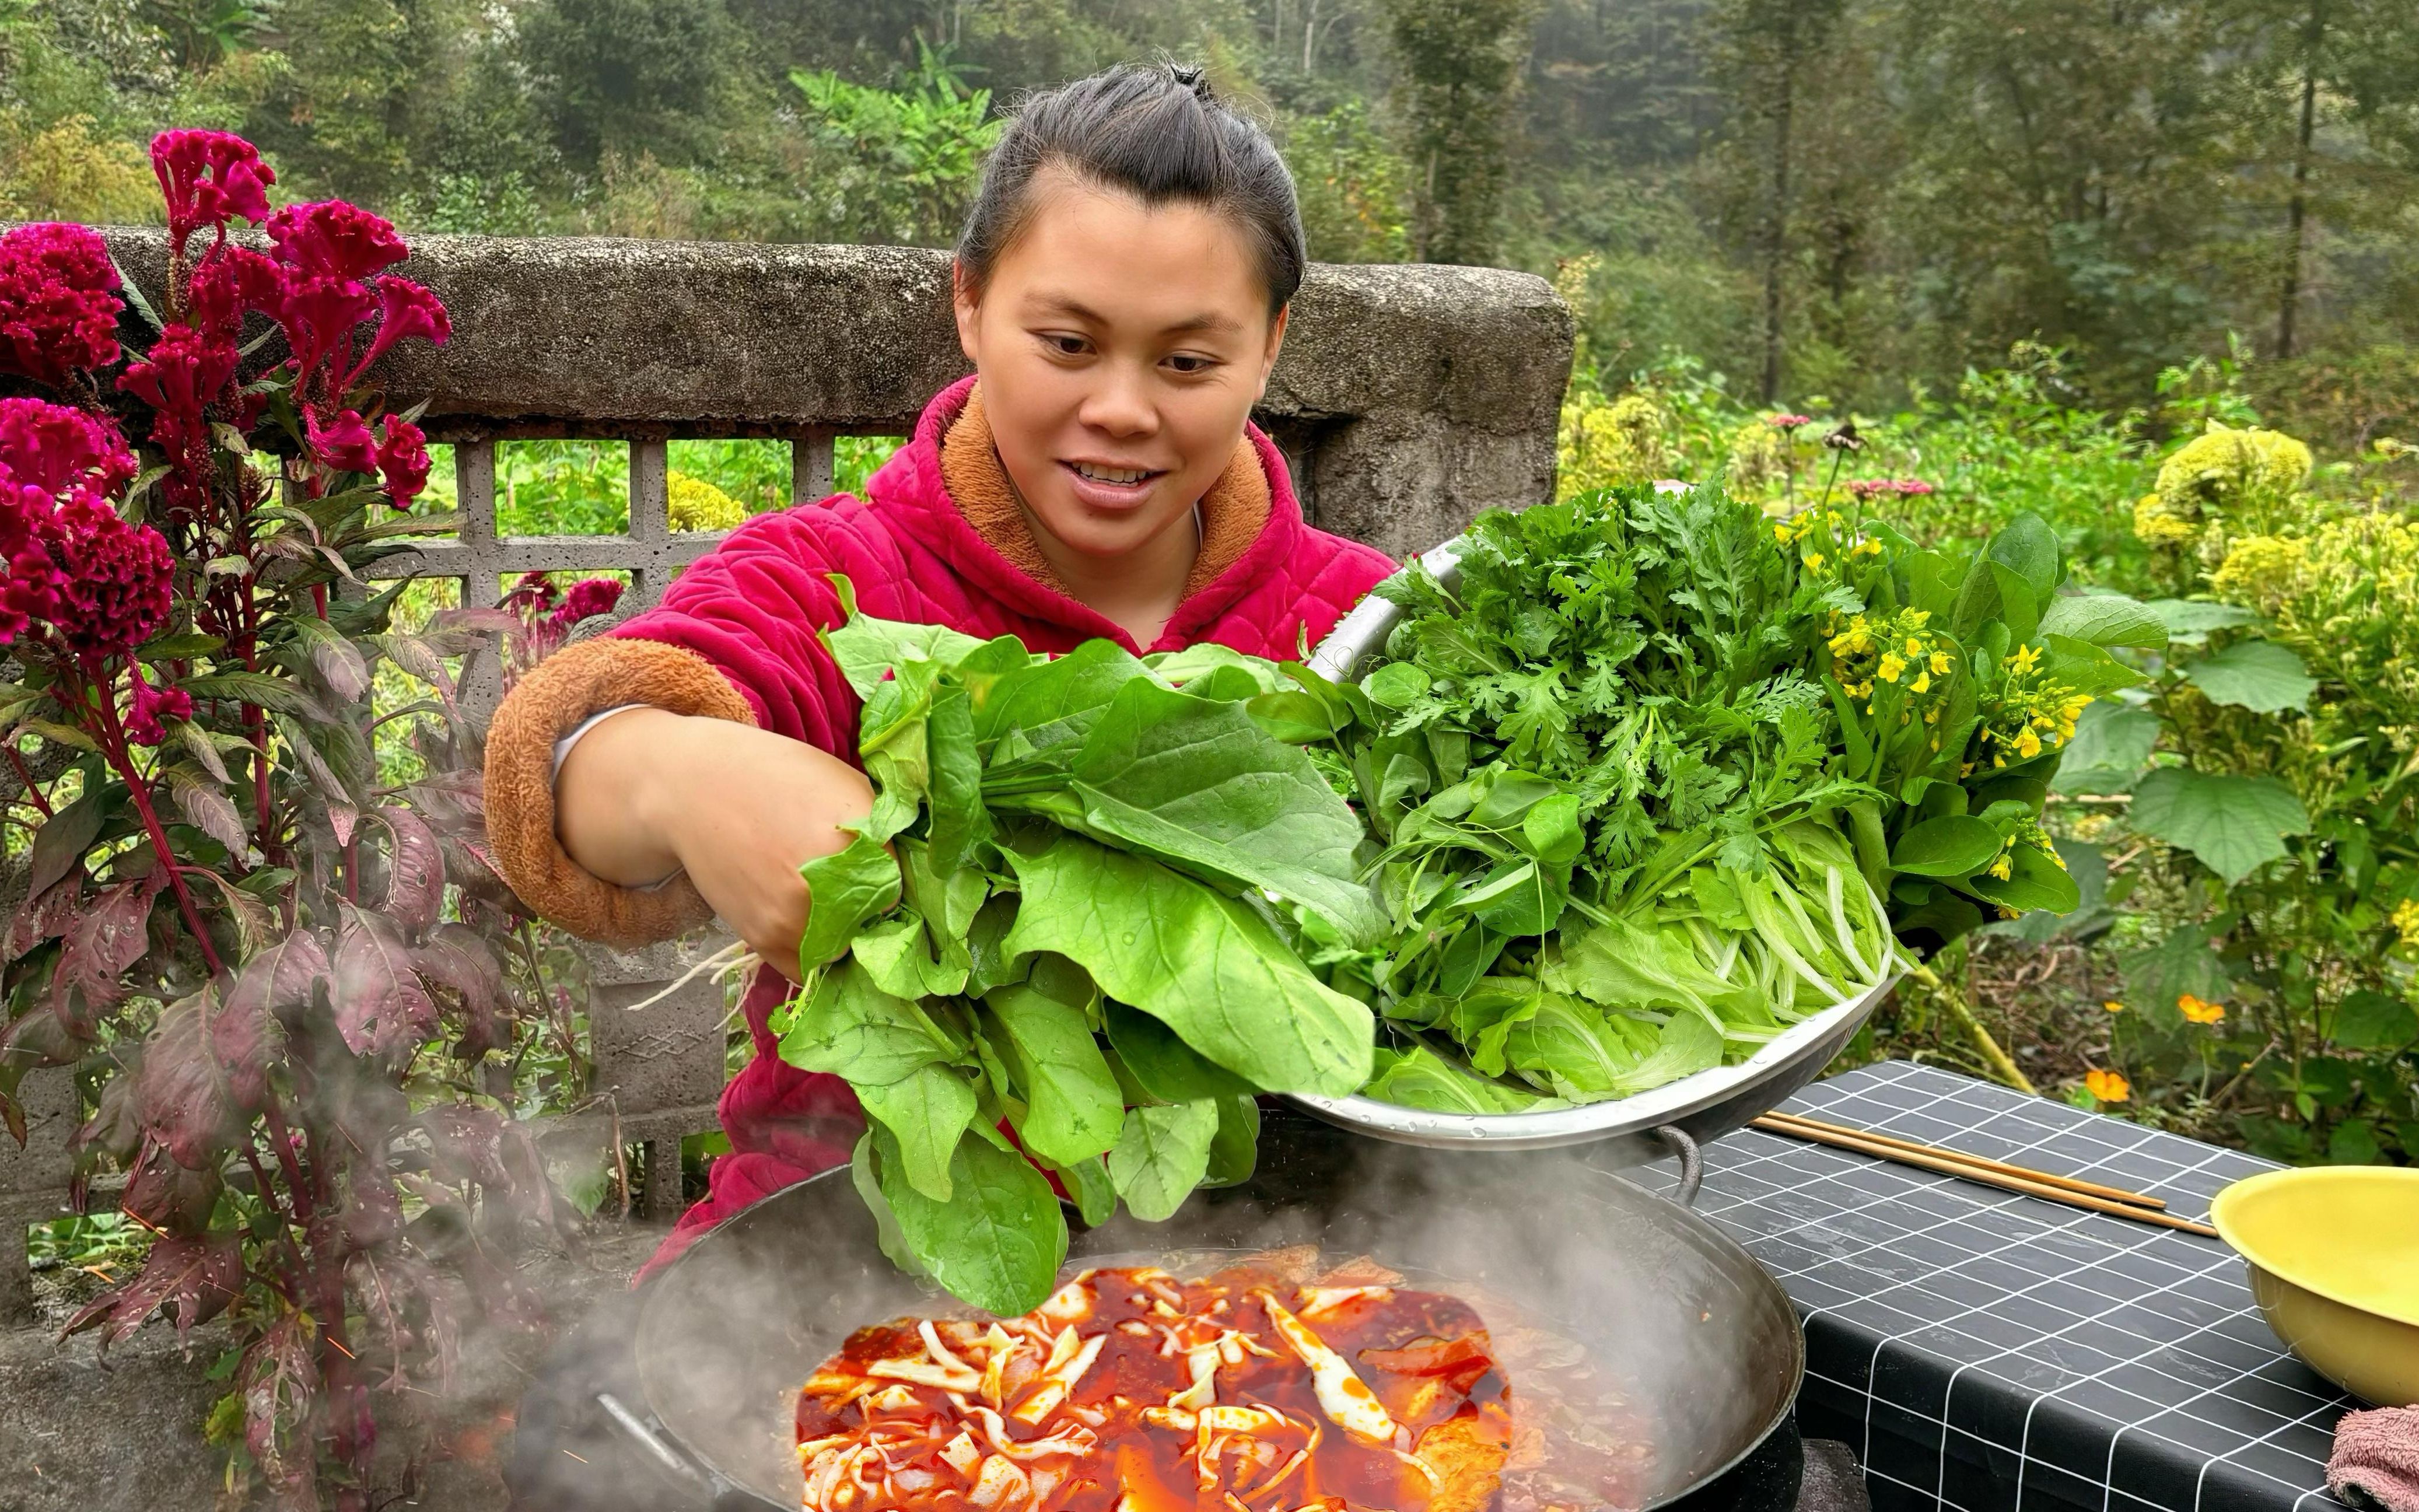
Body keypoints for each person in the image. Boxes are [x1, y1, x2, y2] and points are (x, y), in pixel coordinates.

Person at [482, 61, 1396, 1285]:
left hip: (1261, 1272)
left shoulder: (1355, 624)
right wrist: (679, 771)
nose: (1121, 410)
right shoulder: (843, 578)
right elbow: (579, 751)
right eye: (1066, 343)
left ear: (1271, 345)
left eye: (1187, 364)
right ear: (969, 305)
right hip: (830, 1255)